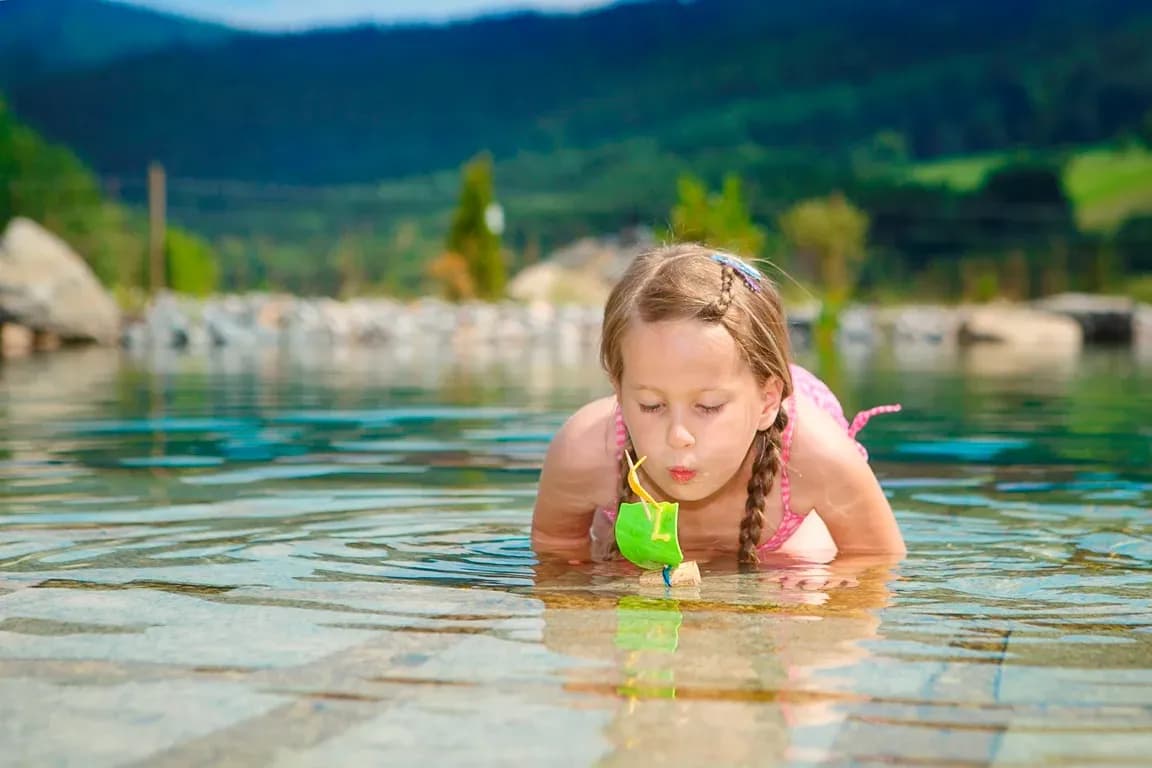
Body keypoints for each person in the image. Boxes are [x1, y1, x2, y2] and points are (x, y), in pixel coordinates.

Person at [531, 243, 906, 565]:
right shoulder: (586, 452)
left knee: (806, 572)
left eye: (708, 407)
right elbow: (555, 555)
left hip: (786, 481)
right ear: (619, 389)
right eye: (650, 405)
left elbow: (876, 562)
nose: (678, 436)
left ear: (767, 401)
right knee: (610, 561)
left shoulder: (816, 456)